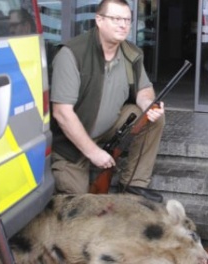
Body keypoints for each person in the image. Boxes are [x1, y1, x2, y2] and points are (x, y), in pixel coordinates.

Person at [50, 0, 165, 203]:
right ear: (99, 20)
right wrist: (94, 153)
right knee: (80, 206)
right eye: (116, 19)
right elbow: (62, 113)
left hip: (108, 129)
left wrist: (149, 104)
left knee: (152, 116)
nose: (123, 25)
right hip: (71, 146)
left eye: (127, 20)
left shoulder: (132, 53)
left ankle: (133, 184)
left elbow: (144, 89)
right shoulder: (71, 54)